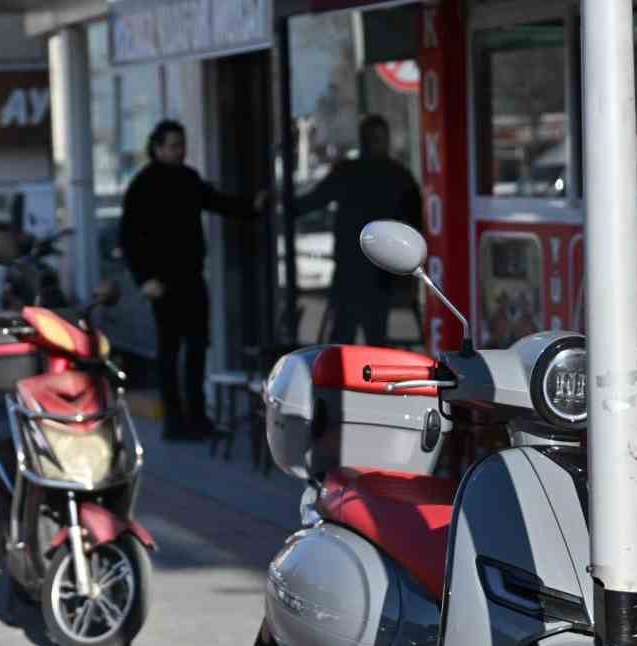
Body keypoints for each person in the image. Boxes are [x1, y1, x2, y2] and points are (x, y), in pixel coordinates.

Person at [119, 119, 267, 440]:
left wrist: (252, 208)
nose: (180, 151)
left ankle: (198, 419)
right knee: (170, 352)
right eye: (173, 145)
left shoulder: (188, 178)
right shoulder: (143, 185)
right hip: (162, 282)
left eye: (182, 144)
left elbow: (215, 201)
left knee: (198, 348)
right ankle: (174, 423)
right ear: (157, 148)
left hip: (191, 276)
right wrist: (145, 279)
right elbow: (129, 237)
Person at [294, 115, 423, 347]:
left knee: (345, 337)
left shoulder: (351, 172)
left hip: (357, 269)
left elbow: (313, 200)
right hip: (377, 268)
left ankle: (340, 370)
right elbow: (418, 222)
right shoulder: (397, 176)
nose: (378, 144)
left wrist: (281, 206)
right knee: (372, 337)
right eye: (376, 139)